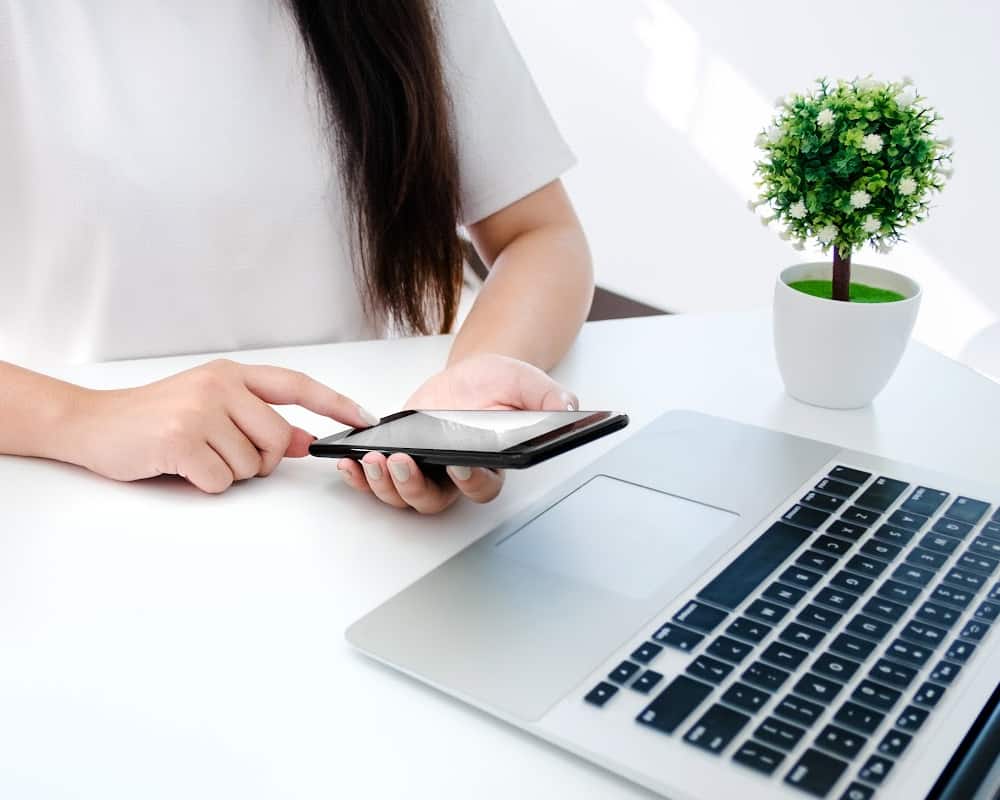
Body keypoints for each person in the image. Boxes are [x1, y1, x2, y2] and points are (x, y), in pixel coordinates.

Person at [0, 1, 593, 512]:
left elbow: (541, 234)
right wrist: (82, 418)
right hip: (67, 494)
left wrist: (462, 405)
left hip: (348, 500)